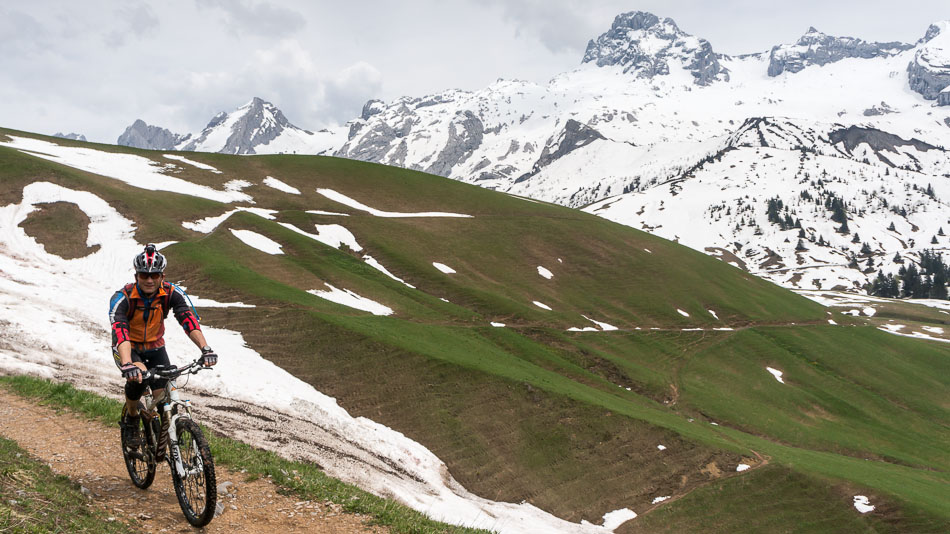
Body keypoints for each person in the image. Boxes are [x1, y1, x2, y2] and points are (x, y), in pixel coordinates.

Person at [109, 243, 218, 446]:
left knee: (164, 397)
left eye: (154, 275)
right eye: (144, 275)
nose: (149, 280)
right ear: (136, 277)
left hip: (156, 347)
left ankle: (168, 440)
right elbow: (120, 331)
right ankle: (132, 419)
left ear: (162, 276)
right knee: (138, 378)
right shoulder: (122, 298)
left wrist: (206, 349)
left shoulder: (170, 293)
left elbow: (188, 320)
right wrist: (127, 364)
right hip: (129, 348)